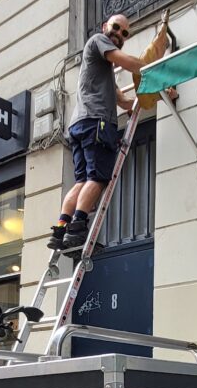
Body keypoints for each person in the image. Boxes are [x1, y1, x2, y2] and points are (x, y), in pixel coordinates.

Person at [47, 14, 145, 251]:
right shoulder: (98, 41)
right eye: (116, 28)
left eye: (124, 33)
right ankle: (78, 225)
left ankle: (61, 229)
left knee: (81, 180)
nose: (119, 34)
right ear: (105, 27)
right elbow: (128, 62)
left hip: (80, 125)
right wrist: (154, 67)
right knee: (98, 178)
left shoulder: (101, 69)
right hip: (96, 123)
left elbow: (121, 100)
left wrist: (135, 105)